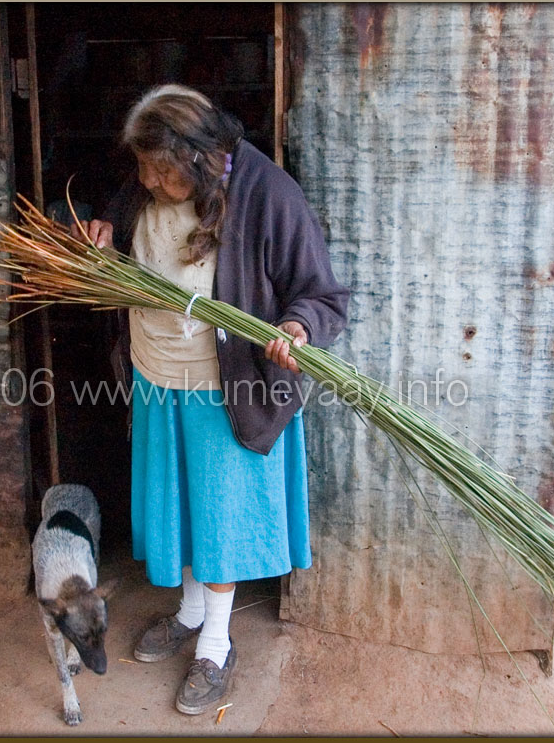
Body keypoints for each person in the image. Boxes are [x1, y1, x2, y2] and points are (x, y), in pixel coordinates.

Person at [86, 84, 349, 715]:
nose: (147, 179)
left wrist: (296, 328)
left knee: (219, 517)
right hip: (157, 376)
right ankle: (189, 610)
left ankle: (215, 643)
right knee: (178, 506)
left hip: (224, 390)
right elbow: (115, 234)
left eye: (161, 167)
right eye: (142, 165)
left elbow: (321, 294)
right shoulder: (141, 189)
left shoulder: (267, 194)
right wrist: (96, 238)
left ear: (201, 158)